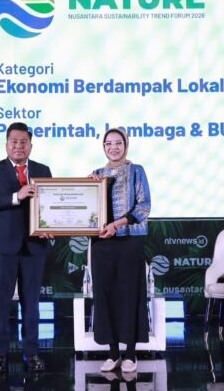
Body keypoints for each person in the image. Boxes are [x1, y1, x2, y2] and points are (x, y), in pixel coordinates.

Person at [0, 122, 52, 374]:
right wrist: (15, 196)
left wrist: (50, 225)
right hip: (2, 247)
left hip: (34, 246)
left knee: (32, 303)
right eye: (14, 141)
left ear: (31, 145)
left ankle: (32, 353)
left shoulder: (42, 170)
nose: (19, 146)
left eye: (23, 142)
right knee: (1, 303)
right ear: (6, 144)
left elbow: (49, 204)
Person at [89, 127, 151, 374]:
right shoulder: (95, 174)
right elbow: (87, 208)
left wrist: (117, 225)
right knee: (105, 295)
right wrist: (85, 188)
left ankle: (130, 353)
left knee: (129, 295)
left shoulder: (137, 171)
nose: (113, 148)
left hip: (129, 241)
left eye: (118, 143)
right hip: (102, 243)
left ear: (126, 145)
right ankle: (113, 353)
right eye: (108, 144)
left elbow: (144, 207)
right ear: (103, 147)